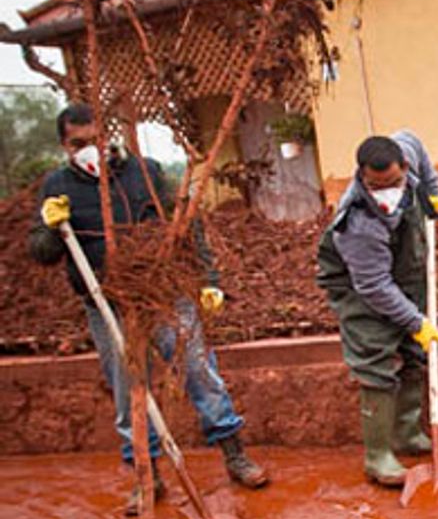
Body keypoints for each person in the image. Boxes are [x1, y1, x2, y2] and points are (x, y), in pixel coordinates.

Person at [28, 103, 269, 515]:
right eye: (78, 144)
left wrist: (209, 281)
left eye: (96, 141)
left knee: (198, 371)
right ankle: (147, 475)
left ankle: (235, 455)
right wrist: (51, 227)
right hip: (108, 306)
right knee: (129, 392)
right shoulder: (57, 186)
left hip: (163, 293)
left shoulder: (146, 172)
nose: (90, 150)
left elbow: (185, 226)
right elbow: (43, 253)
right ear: (64, 146)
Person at [316, 130, 438, 486]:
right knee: (376, 362)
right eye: (375, 185)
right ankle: (377, 457)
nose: (384, 191)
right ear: (362, 176)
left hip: (403, 273)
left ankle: (407, 435)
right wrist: (415, 320)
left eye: (391, 181)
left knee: (413, 352)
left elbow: (416, 143)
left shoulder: (407, 155)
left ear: (403, 166)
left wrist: (432, 194)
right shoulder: (358, 222)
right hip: (362, 290)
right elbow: (373, 285)